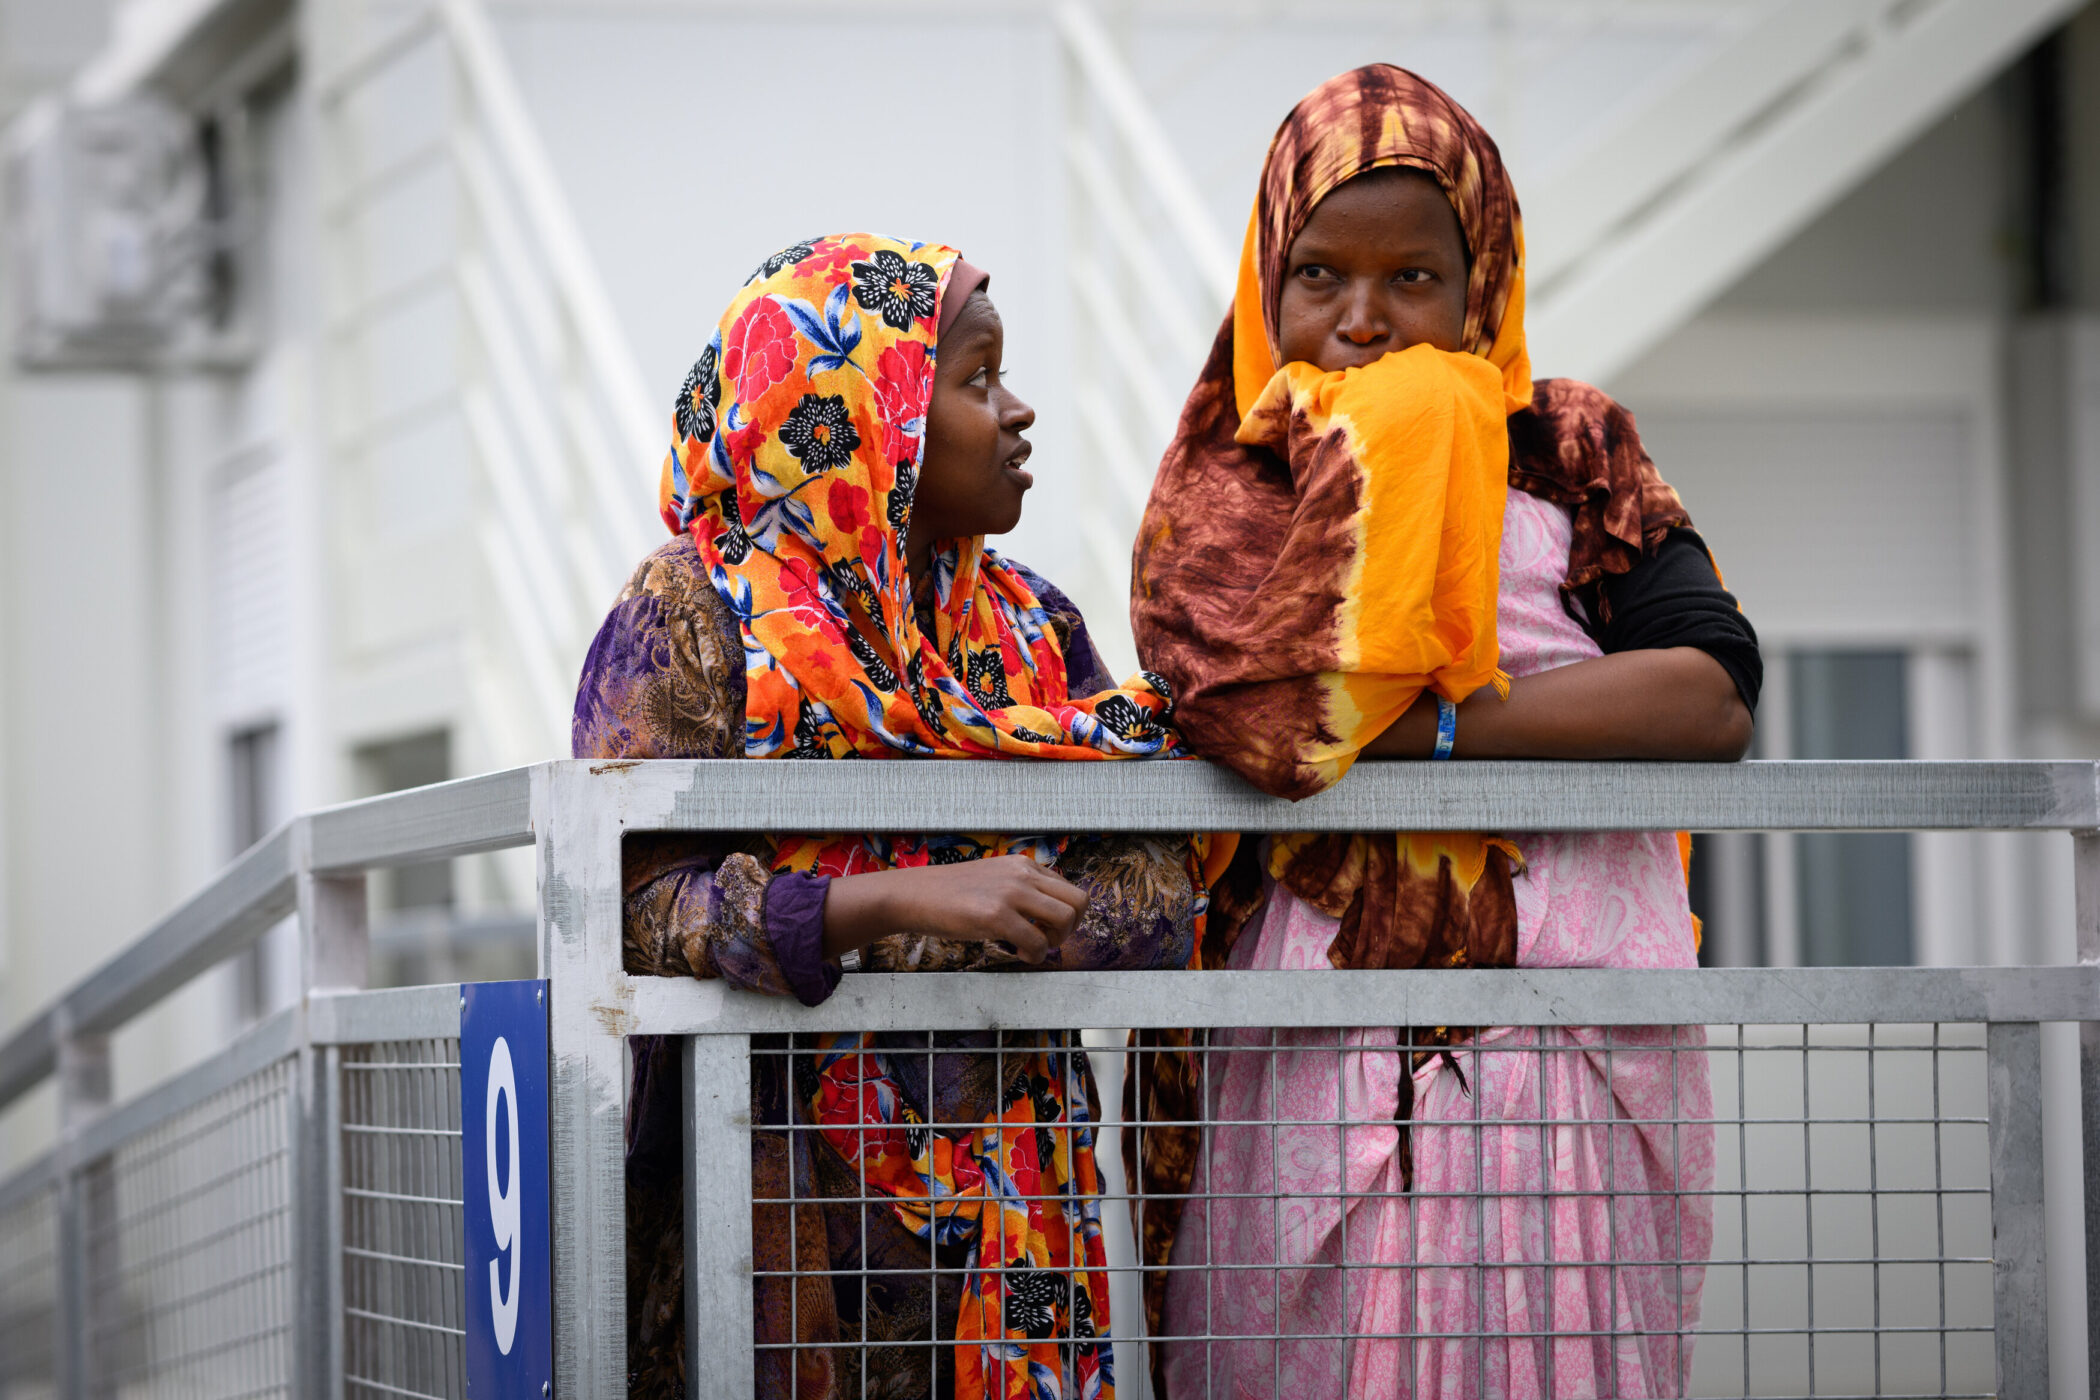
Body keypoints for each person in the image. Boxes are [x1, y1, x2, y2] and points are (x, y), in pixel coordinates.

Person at [1126, 67, 1762, 1398]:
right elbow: (1240, 710)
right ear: (1267, 280)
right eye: (1318, 276)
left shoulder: (1566, 444)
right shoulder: (1232, 477)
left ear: (1480, 282)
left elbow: (1706, 693)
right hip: (1319, 1024)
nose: (1362, 320)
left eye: (1412, 278)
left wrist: (1427, 728)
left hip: (1557, 1027)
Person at [575, 232, 1204, 1400]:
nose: (1018, 412)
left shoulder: (1032, 630)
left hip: (1018, 1192)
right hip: (778, 1194)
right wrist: (889, 903)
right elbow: (627, 902)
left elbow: (1161, 879)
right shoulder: (696, 613)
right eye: (974, 381)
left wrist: (1040, 920)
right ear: (865, 417)